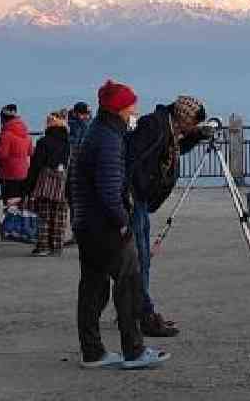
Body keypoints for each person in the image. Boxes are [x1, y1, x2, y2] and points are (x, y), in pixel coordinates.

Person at [71, 80, 170, 370]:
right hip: (105, 227)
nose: (134, 110)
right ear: (119, 108)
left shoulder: (95, 132)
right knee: (129, 282)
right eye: (130, 105)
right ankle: (134, 350)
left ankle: (92, 352)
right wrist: (124, 223)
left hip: (86, 224)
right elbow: (110, 190)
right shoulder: (109, 139)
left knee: (92, 287)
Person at [127, 95, 208, 338]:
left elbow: (174, 148)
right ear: (183, 117)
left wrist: (196, 136)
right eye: (193, 122)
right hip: (135, 199)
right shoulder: (153, 125)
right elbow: (135, 159)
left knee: (141, 258)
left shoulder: (167, 127)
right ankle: (143, 313)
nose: (192, 126)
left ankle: (136, 308)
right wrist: (137, 188)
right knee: (139, 258)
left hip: (141, 198)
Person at [24, 109, 71, 256]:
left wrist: (28, 187)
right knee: (60, 217)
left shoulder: (43, 142)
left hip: (45, 184)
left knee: (44, 216)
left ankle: (43, 246)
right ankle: (57, 246)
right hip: (63, 184)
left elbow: (36, 165)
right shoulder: (69, 143)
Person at [66, 102, 94, 245]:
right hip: (86, 170)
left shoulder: (76, 126)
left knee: (75, 203)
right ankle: (83, 233)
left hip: (76, 169)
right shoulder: (92, 125)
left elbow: (73, 144)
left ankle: (78, 233)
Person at [0, 104, 33, 207]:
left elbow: (2, 155)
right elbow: (30, 152)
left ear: (4, 118)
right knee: (21, 203)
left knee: (10, 205)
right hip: (24, 172)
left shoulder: (6, 134)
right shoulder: (26, 133)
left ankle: (11, 222)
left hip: (8, 173)